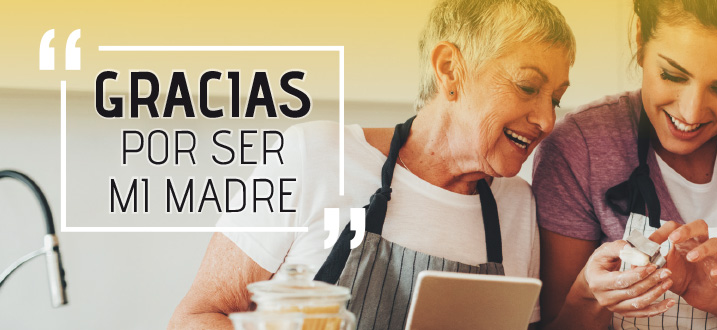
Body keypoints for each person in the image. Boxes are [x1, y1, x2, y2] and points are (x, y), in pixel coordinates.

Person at [168, 0, 574, 329]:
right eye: (527, 87)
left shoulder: (518, 206)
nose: (547, 120)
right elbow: (195, 318)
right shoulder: (314, 155)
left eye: (555, 98)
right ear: (450, 70)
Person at [534, 0, 717, 328]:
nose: (691, 112)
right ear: (641, 40)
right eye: (672, 75)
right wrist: (589, 293)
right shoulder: (578, 148)